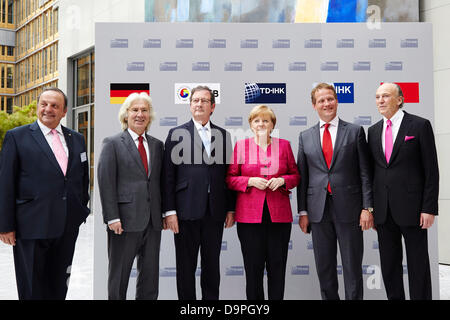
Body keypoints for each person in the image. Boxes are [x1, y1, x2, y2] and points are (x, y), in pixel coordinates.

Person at [0, 87, 90, 300]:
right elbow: (5, 183)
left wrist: (80, 210)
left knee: (59, 287)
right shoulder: (17, 137)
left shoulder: (77, 139)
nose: (48, 109)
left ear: (64, 111)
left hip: (66, 226)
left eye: (55, 106)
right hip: (31, 227)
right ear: (38, 106)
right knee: (32, 289)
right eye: (44, 104)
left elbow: (81, 178)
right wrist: (5, 225)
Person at [296, 83, 373, 300]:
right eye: (321, 100)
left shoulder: (355, 131)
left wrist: (368, 207)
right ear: (314, 105)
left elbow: (365, 173)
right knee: (325, 268)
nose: (327, 103)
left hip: (350, 209)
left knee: (352, 268)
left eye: (330, 99)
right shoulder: (305, 136)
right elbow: (303, 177)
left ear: (337, 101)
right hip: (318, 211)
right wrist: (303, 211)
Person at [162, 85, 235, 300]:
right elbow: (167, 176)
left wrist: (231, 208)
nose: (199, 104)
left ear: (212, 107)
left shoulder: (223, 135)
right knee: (185, 268)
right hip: (185, 211)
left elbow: (228, 175)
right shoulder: (176, 134)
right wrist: (169, 211)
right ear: (190, 105)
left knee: (212, 267)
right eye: (195, 100)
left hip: (215, 212)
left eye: (204, 101)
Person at [368, 82, 439, 300]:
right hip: (383, 211)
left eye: (386, 96)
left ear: (399, 99)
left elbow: (431, 170)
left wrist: (429, 208)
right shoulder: (373, 131)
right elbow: (371, 173)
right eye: (378, 96)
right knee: (389, 266)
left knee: (418, 265)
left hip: (414, 209)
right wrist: (371, 208)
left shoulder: (419, 125)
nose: (380, 100)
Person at [226, 105, 300, 300]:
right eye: (257, 120)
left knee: (277, 269)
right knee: (253, 270)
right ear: (250, 124)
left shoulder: (284, 145)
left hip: (279, 217)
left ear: (272, 124)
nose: (261, 124)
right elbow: (230, 178)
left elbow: (296, 175)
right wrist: (249, 181)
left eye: (266, 120)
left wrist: (283, 180)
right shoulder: (241, 146)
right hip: (250, 218)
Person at [97, 92, 163, 300]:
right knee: (119, 276)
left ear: (150, 116)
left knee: (150, 277)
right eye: (135, 110)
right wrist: (112, 217)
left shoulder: (157, 145)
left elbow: (159, 182)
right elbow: (105, 182)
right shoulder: (112, 143)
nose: (140, 114)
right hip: (123, 221)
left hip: (153, 221)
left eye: (145, 110)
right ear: (125, 115)